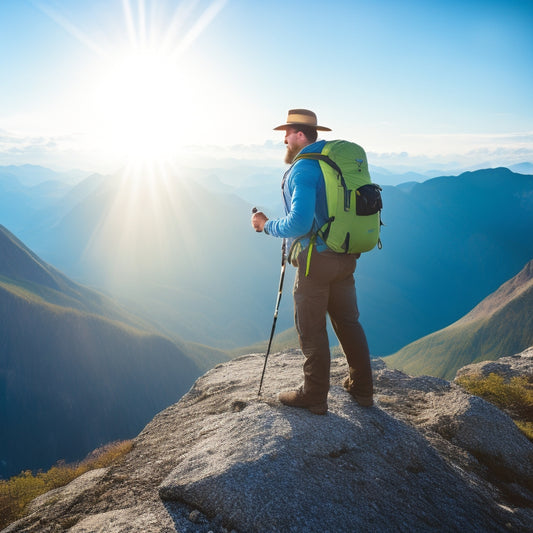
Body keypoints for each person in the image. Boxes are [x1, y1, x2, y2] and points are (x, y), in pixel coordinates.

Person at [251, 109, 373, 415]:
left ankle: (314, 396)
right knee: (348, 323)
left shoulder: (303, 169)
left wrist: (265, 224)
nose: (284, 140)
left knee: (311, 328)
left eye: (288, 133)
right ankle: (363, 390)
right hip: (346, 255)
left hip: (315, 263)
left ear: (301, 135)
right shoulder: (333, 163)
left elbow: (300, 223)